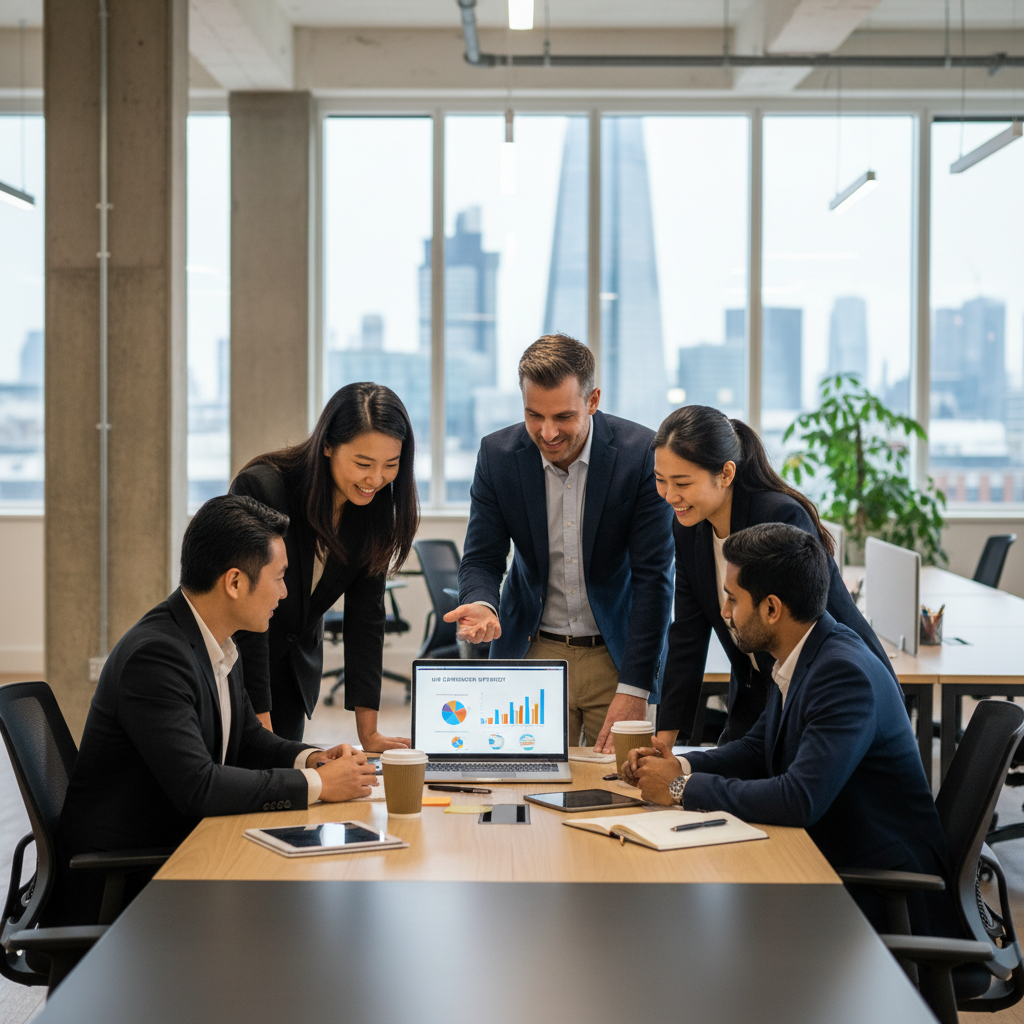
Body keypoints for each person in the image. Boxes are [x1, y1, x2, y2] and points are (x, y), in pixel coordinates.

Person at [54, 495, 379, 924]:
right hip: (124, 885)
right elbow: (199, 787)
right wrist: (317, 783)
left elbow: (246, 738)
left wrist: (313, 758)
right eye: (279, 578)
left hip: (178, 851)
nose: (284, 593)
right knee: (306, 915)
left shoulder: (217, 641)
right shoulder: (157, 657)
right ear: (234, 582)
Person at [624, 523, 957, 936]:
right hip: (831, 858)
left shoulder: (841, 674)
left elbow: (799, 799)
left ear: (772, 609)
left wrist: (679, 789)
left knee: (696, 919)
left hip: (881, 893)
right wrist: (679, 766)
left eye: (733, 598)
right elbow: (755, 748)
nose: (725, 612)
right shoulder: (807, 651)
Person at [444, 334, 674, 753]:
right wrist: (482, 602)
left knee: (620, 788)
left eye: (563, 417)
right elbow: (482, 556)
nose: (547, 433)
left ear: (593, 400)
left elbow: (654, 579)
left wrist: (636, 686)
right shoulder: (497, 455)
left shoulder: (640, 453)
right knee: (523, 791)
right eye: (534, 415)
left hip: (616, 656)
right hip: (533, 655)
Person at [653, 404, 895, 747]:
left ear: (725, 474)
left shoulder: (778, 518)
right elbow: (687, 636)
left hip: (822, 688)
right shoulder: (690, 528)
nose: (669, 496)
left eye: (682, 483)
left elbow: (798, 632)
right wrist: (664, 741)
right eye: (660, 480)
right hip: (758, 689)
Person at [229, 382, 419, 746]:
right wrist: (262, 728)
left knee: (285, 791)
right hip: (238, 667)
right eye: (363, 464)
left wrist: (370, 734)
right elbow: (245, 613)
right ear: (328, 445)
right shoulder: (264, 489)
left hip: (293, 674)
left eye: (390, 465)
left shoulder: (372, 513)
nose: (375, 479)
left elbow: (366, 619)